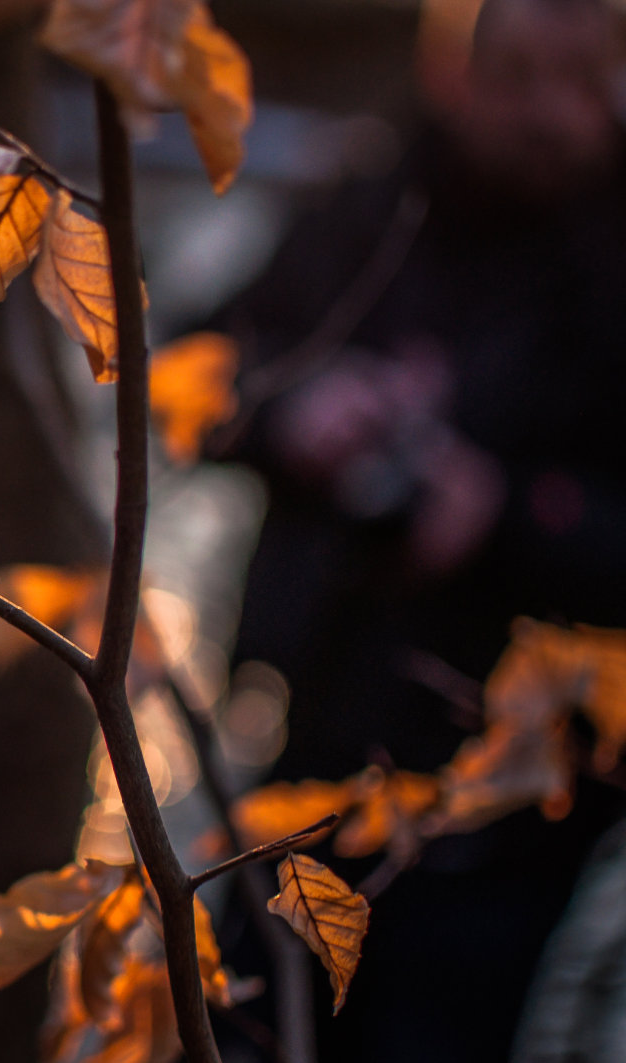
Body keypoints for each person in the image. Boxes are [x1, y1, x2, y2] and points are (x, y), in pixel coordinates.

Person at [207, 0, 626, 1058]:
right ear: (451, 71)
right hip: (316, 731)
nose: (548, 113)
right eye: (517, 76)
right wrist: (298, 408)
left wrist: (506, 515)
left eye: (582, 79)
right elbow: (198, 368)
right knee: (237, 1018)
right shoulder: (372, 200)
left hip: (524, 801)